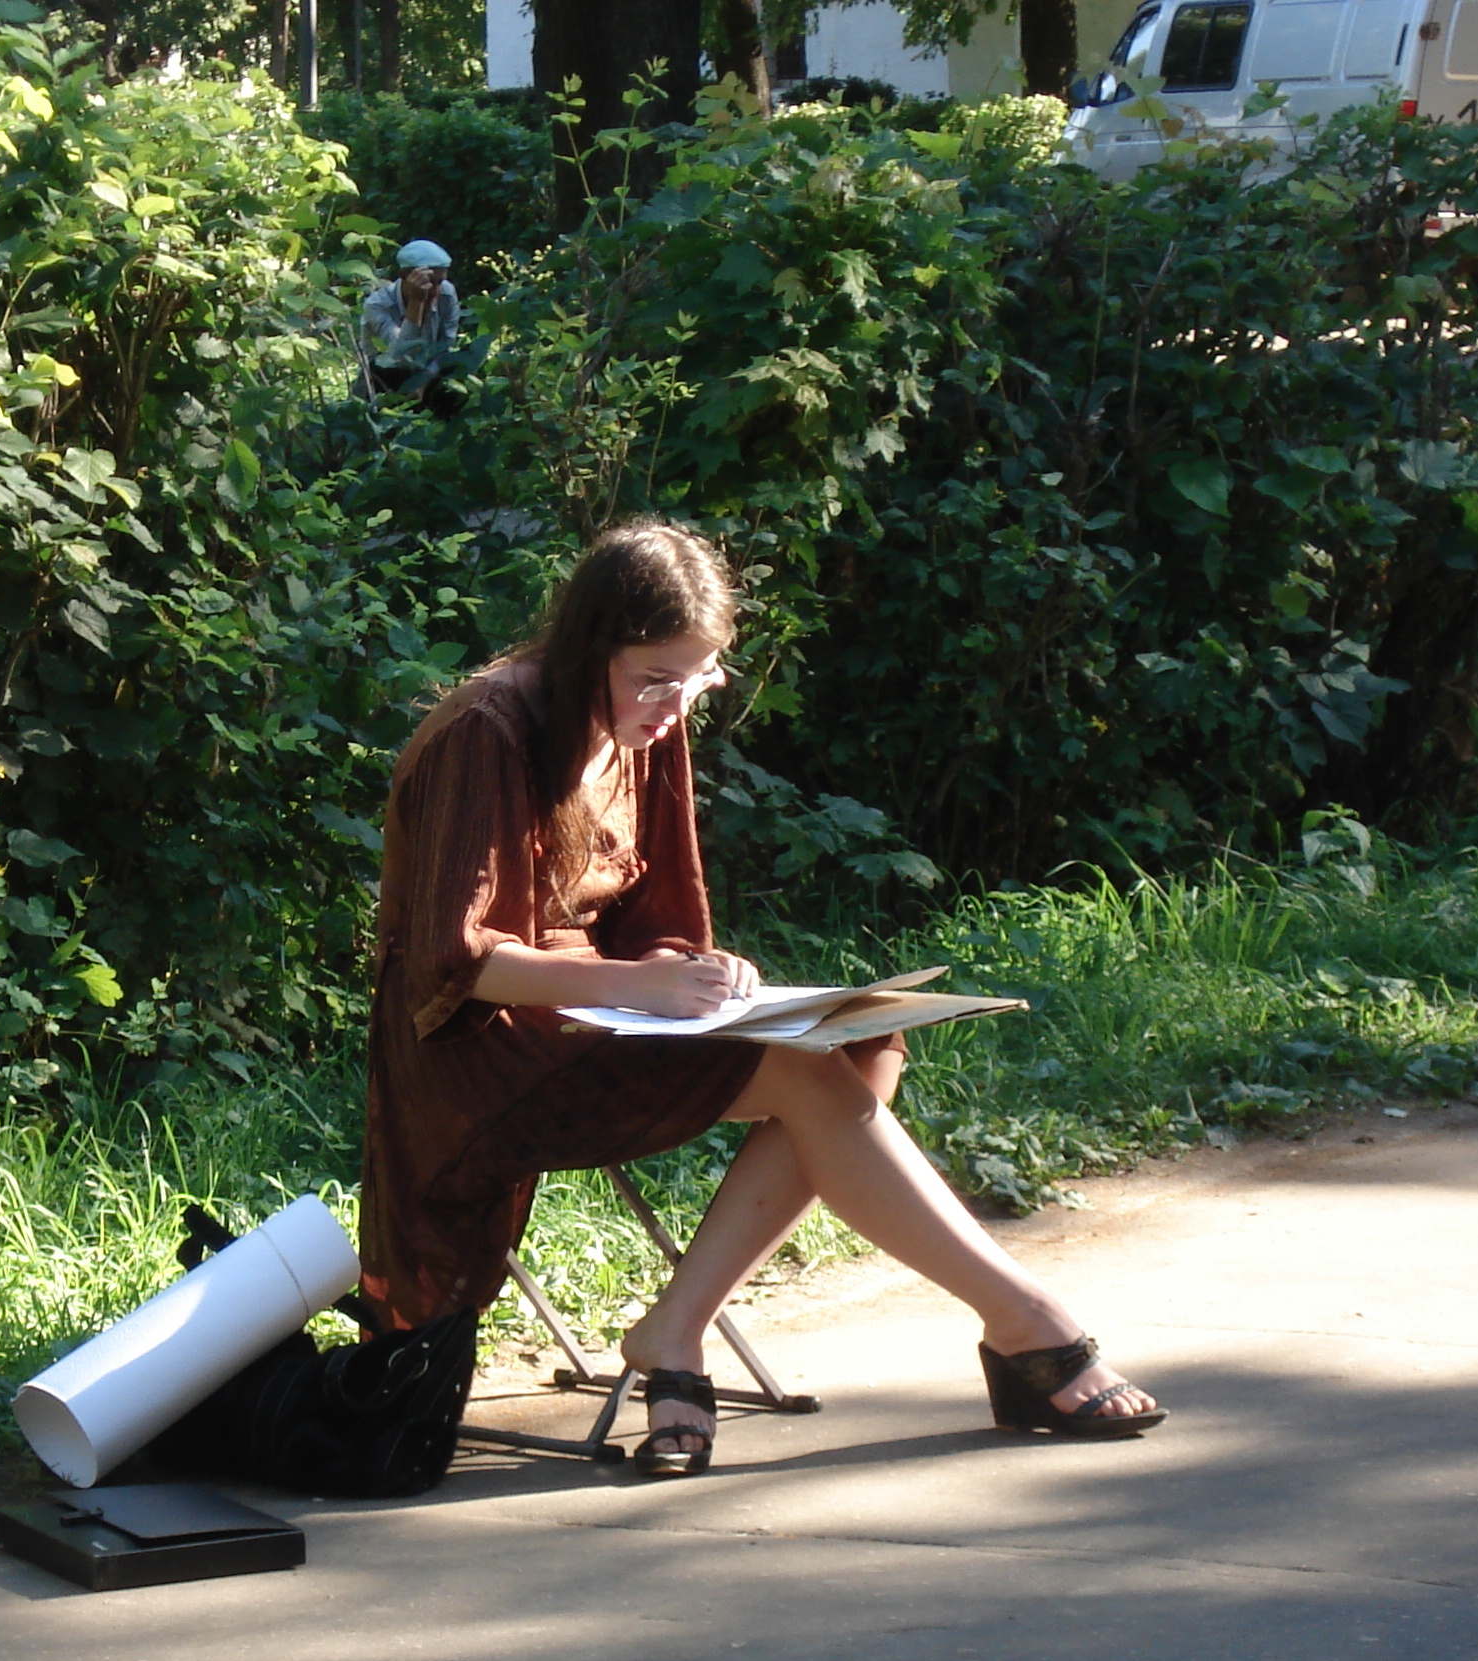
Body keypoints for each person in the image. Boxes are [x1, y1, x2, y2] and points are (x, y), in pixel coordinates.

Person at [358, 520, 1164, 1479]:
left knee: (861, 1045)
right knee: (802, 1071)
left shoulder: (648, 719)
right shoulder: (487, 730)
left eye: (699, 679)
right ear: (588, 652)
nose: (673, 704)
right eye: (654, 678)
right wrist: (639, 985)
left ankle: (674, 1330)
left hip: (602, 1021)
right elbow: (456, 962)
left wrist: (703, 979)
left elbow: (660, 917)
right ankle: (1028, 1324)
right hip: (476, 1053)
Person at [362, 239, 462, 408]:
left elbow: (446, 346)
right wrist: (417, 303)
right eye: (430, 282)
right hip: (384, 376)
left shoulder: (446, 293)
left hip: (430, 371)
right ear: (405, 277)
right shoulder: (376, 306)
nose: (437, 290)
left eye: (440, 282)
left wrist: (423, 382)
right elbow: (401, 356)